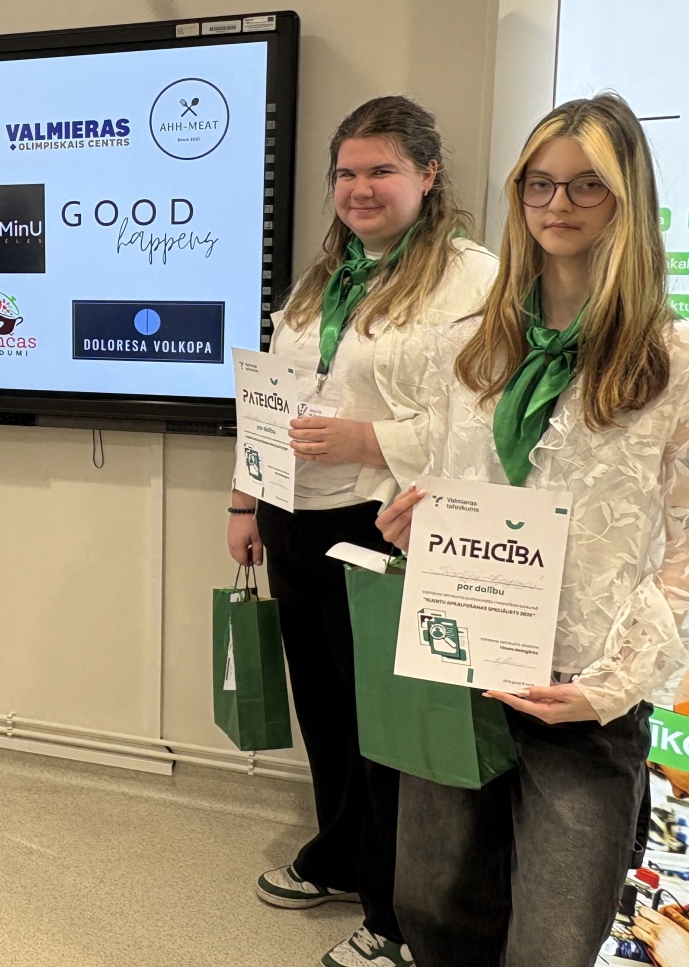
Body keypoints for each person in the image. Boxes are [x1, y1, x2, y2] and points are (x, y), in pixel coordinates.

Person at [377, 94, 689, 966]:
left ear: (627, 199)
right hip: (462, 664)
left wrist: (612, 685)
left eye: (586, 185)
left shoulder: (683, 364)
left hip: (583, 693)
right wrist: (416, 522)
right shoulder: (472, 349)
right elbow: (455, 490)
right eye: (539, 184)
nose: (558, 204)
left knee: (553, 941)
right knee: (433, 908)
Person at [226, 96, 498, 967]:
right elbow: (268, 396)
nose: (359, 188)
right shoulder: (323, 277)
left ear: (429, 173)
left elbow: (482, 418)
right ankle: (343, 853)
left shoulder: (473, 280)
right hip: (293, 515)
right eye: (346, 172)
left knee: (391, 729)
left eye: (382, 169)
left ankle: (397, 915)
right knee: (326, 707)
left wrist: (369, 440)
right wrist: (244, 500)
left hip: (387, 521)